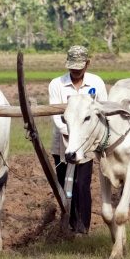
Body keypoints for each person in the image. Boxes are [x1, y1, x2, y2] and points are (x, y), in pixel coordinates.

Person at [49, 45, 107, 235]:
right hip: (62, 143)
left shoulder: (96, 83)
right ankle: (70, 222)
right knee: (65, 185)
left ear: (87, 64)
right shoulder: (56, 84)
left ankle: (83, 227)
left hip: (87, 144)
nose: (75, 71)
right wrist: (70, 132)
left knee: (82, 184)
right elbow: (57, 116)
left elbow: (102, 111)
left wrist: (83, 137)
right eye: (72, 67)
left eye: (79, 67)